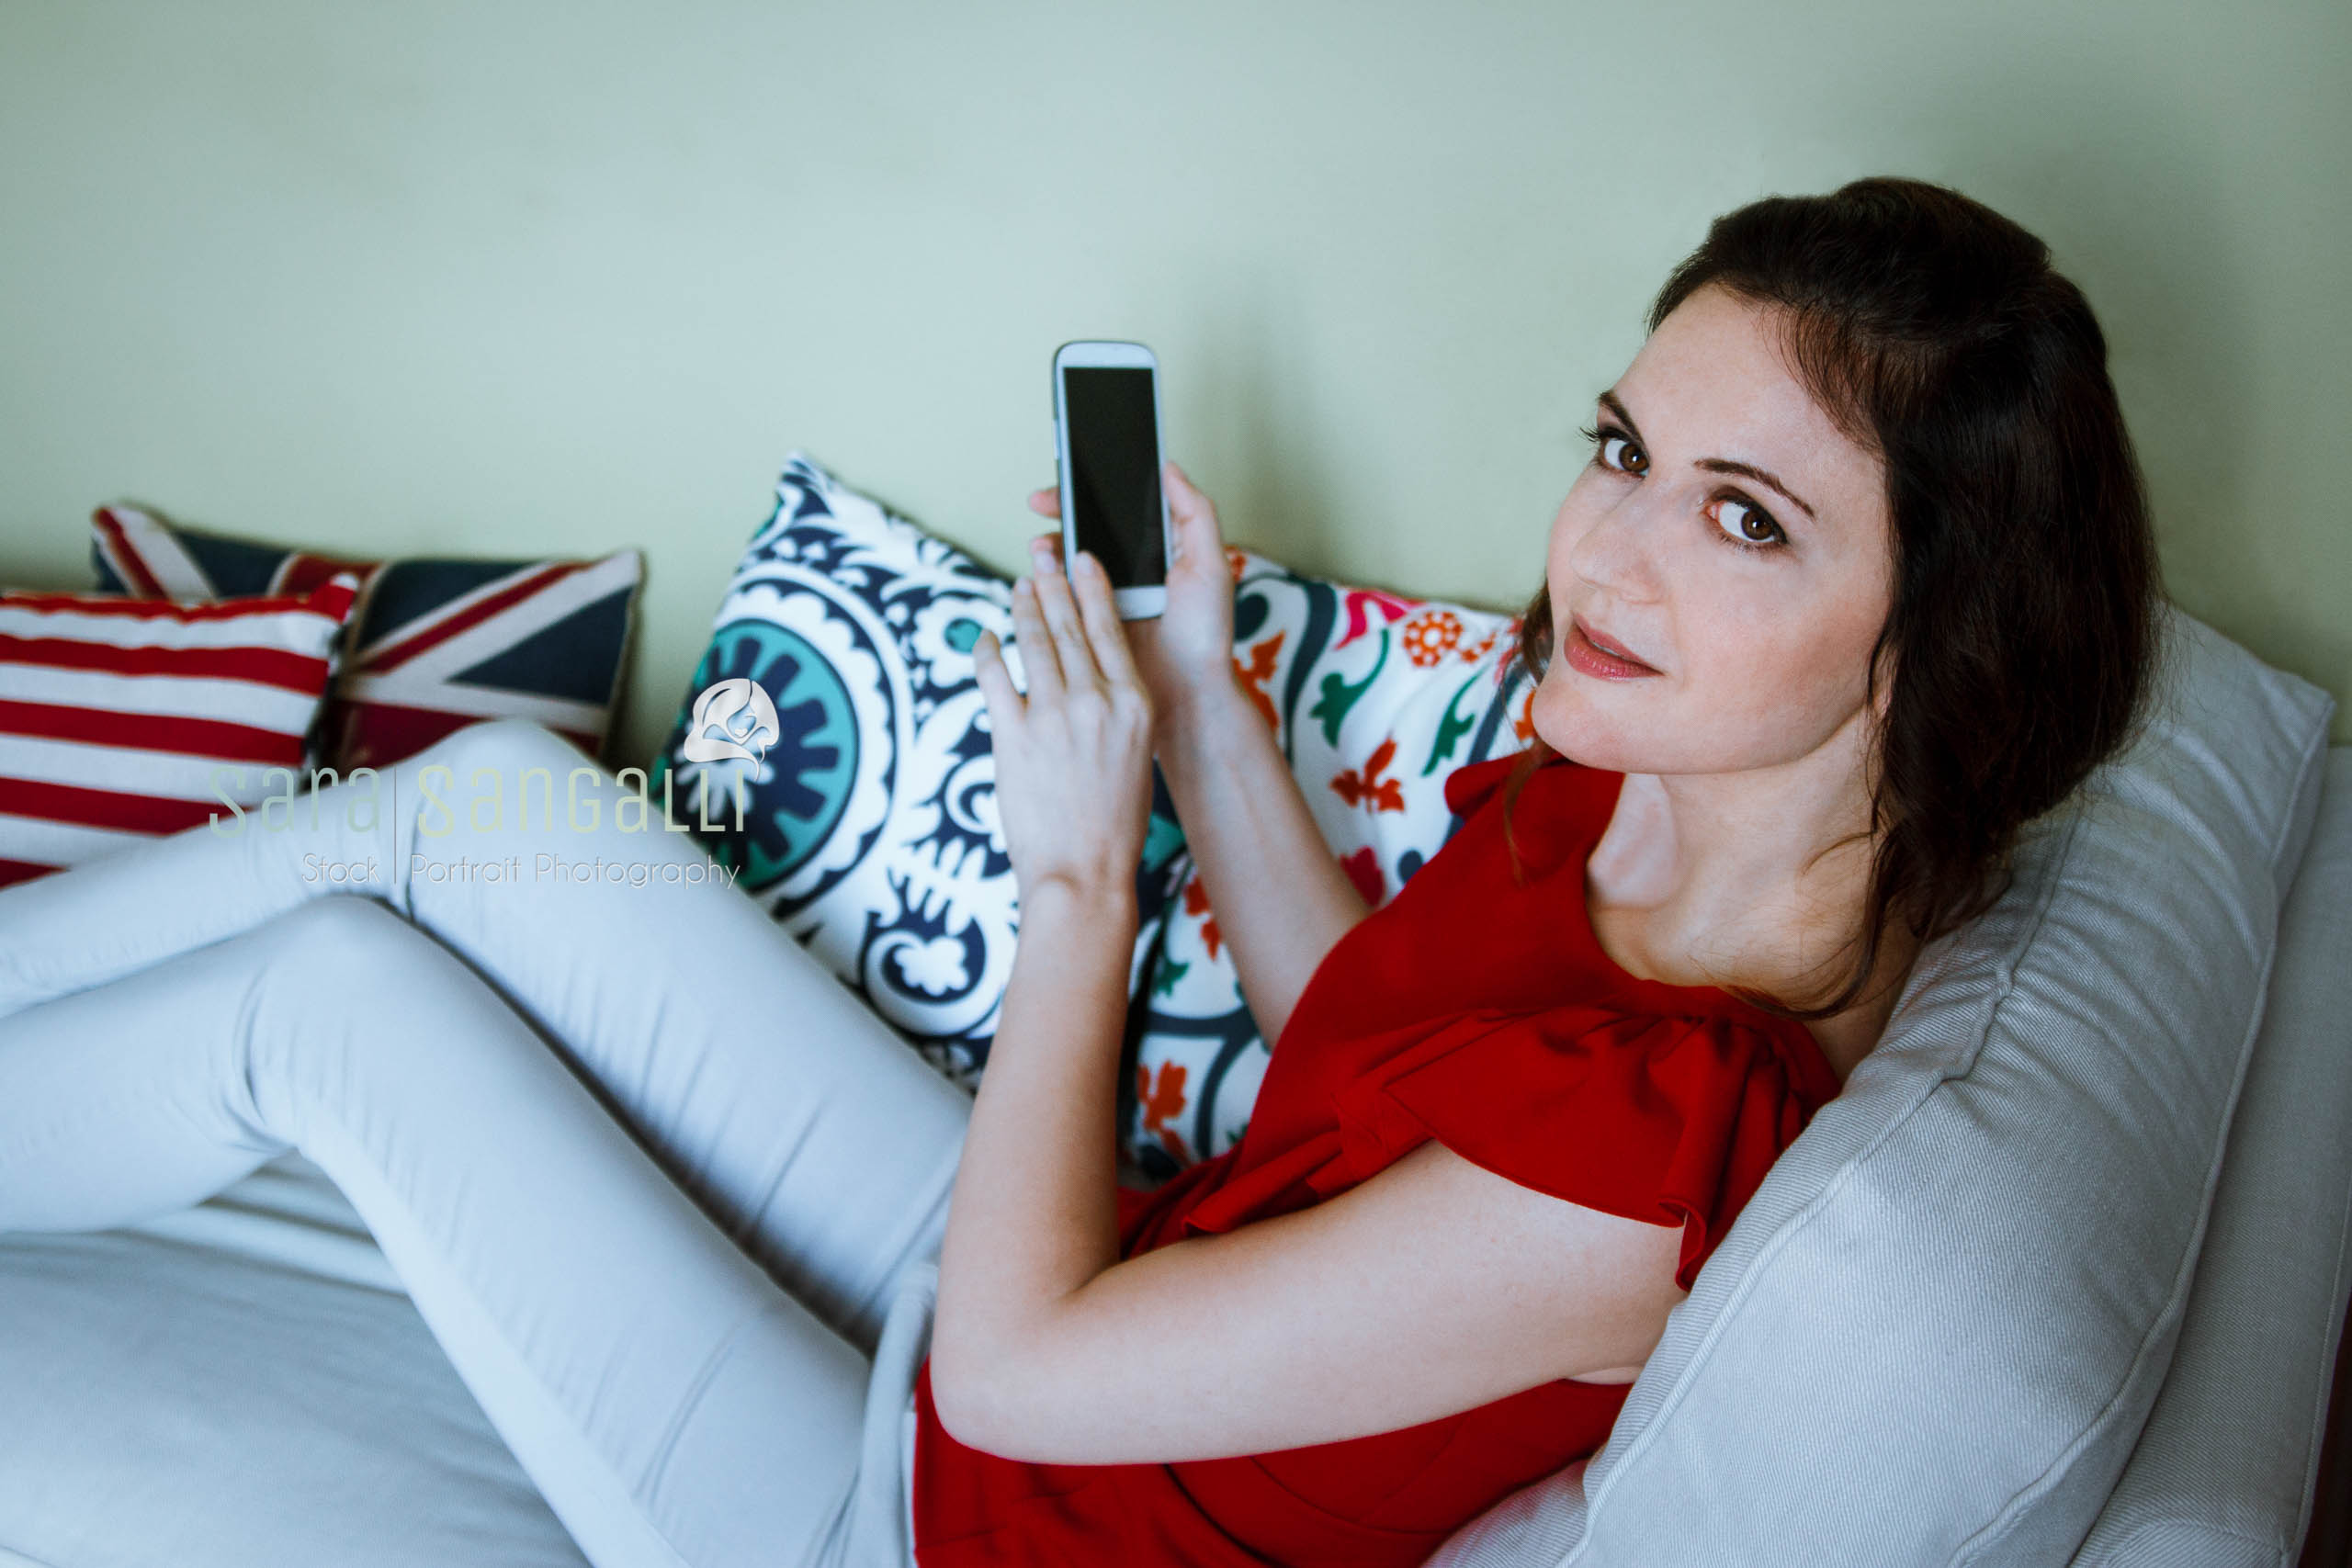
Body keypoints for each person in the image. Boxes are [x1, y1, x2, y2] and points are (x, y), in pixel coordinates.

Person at [0, 175, 2158, 1568]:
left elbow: (1018, 1380)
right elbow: (1374, 1048)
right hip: (1057, 1290)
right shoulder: (1644, 775)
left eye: (1744, 518)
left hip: (944, 1510)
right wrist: (1204, 699)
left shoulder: (1658, 1146)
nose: (1602, 550)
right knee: (478, 798)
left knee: (337, 1005)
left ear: (1931, 652)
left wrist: (1078, 884)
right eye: (1620, 451)